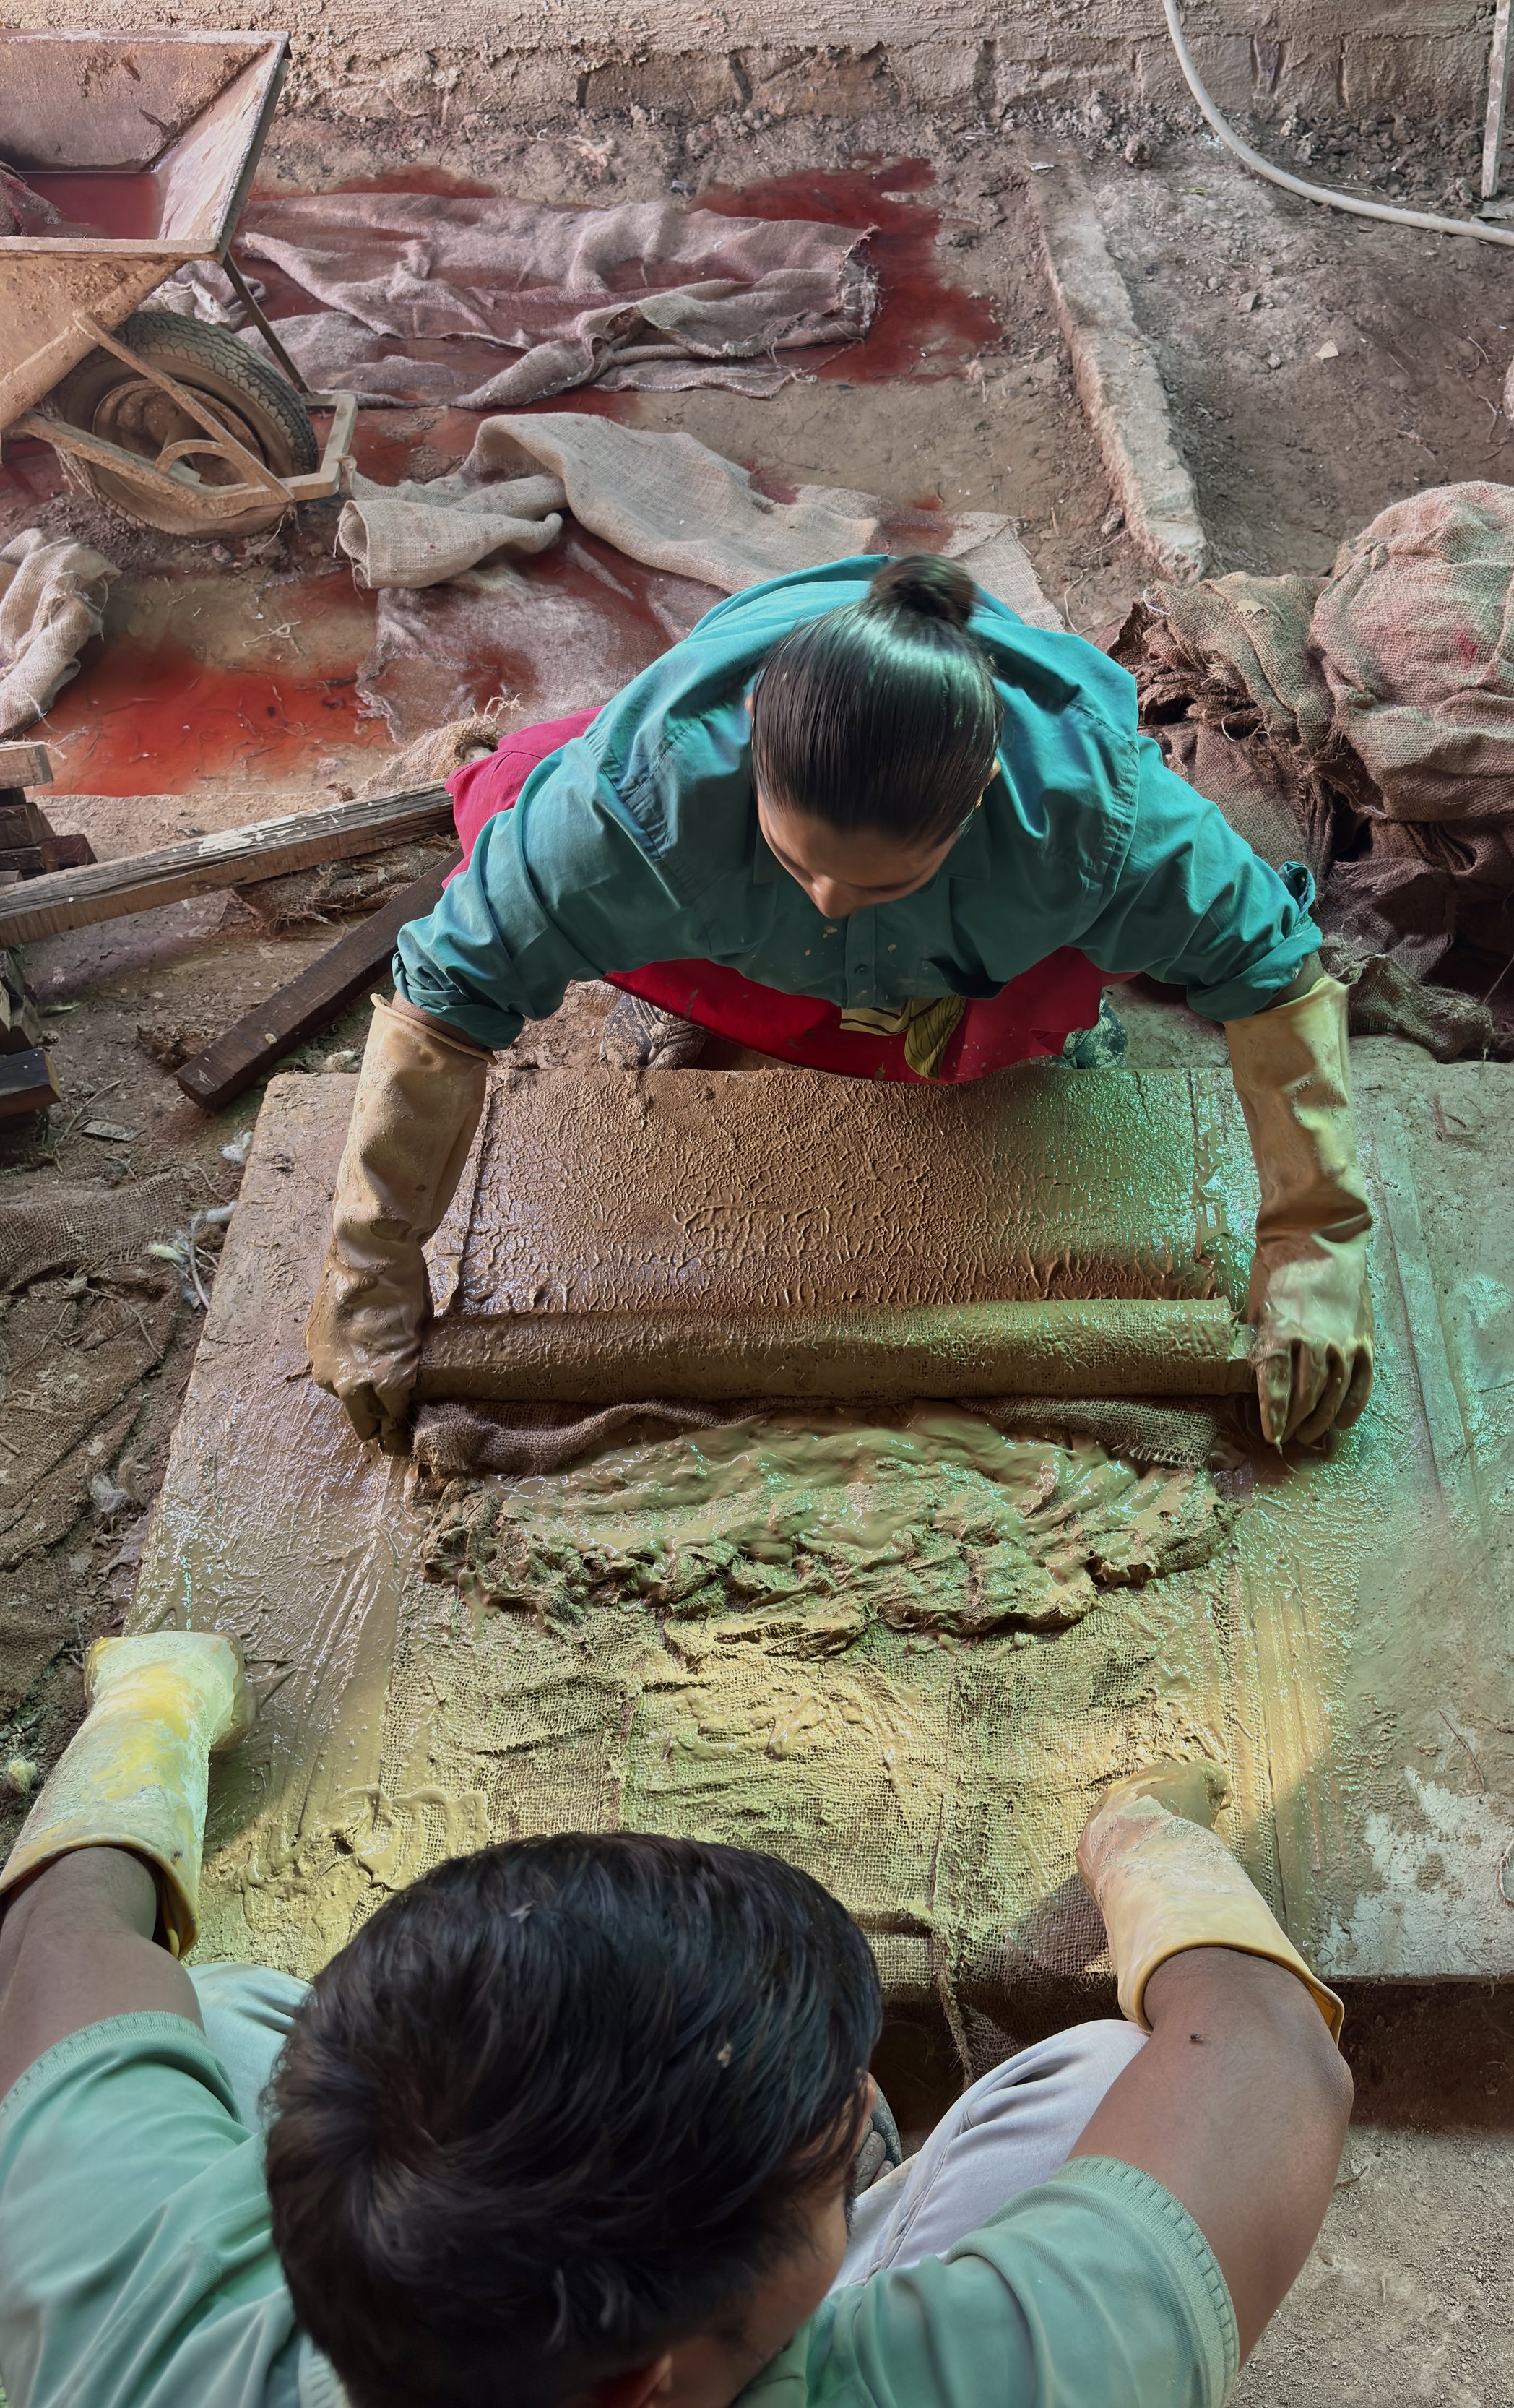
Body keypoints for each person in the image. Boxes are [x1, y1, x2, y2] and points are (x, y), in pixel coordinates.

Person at [0, 1631, 1352, 2408]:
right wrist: (1139, 1836)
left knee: (217, 2007)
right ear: (636, 2386)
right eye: (833, 2142)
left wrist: (157, 1702)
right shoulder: (975, 2384)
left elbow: (61, 1936)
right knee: (1114, 2075)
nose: (858, 2099)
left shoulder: (128, 2302)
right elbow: (1268, 2058)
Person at [304, 553, 1374, 1459]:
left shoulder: (1093, 816)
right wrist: (369, 1267)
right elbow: (448, 998)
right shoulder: (636, 802)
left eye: (876, 882)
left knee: (1015, 1010)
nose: (825, 902)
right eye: (797, 862)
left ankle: (965, 983)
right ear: (752, 753)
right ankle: (791, 943)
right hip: (707, 886)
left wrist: (1316, 1248)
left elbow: (1275, 975)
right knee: (513, 809)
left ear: (975, 804)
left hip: (992, 925)